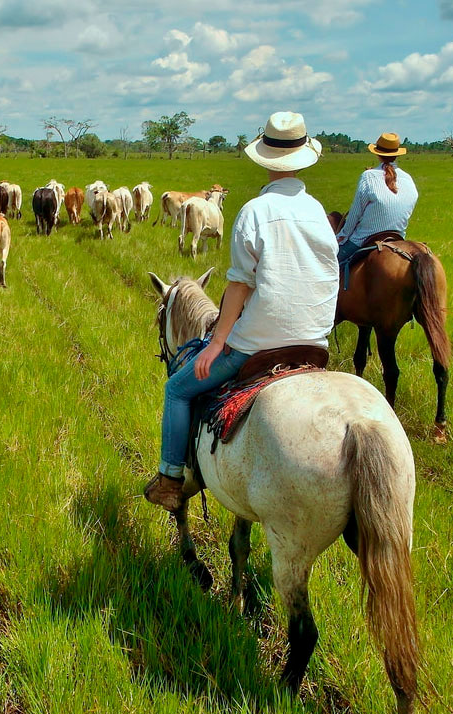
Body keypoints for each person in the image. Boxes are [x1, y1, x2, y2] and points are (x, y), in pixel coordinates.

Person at [144, 111, 339, 511]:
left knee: (177, 389)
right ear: (304, 158)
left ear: (264, 159)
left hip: (257, 344)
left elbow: (238, 285)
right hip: (315, 342)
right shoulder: (318, 211)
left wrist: (217, 344)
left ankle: (169, 478)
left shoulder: (253, 211)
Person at [336, 132, 418, 263]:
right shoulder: (408, 179)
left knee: (330, 266)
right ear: (397, 154)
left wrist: (342, 236)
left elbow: (355, 213)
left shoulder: (368, 176)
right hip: (398, 239)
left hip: (364, 238)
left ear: (377, 154)